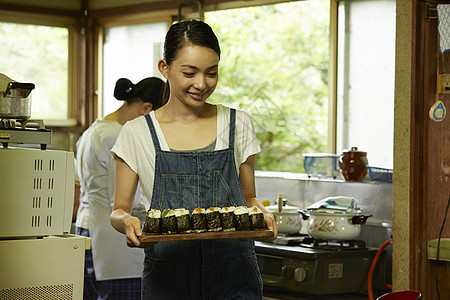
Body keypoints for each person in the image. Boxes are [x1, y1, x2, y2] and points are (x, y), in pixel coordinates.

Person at [110, 20, 277, 300]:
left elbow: (249, 198)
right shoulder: (137, 132)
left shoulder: (237, 123)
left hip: (235, 273)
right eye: (190, 73)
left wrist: (264, 215)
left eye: (211, 73)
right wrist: (127, 222)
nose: (201, 84)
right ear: (165, 68)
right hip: (169, 276)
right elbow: (119, 209)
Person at [75, 77, 165, 300]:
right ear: (146, 109)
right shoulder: (117, 136)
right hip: (114, 244)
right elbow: (131, 202)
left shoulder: (93, 131)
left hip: (87, 230)